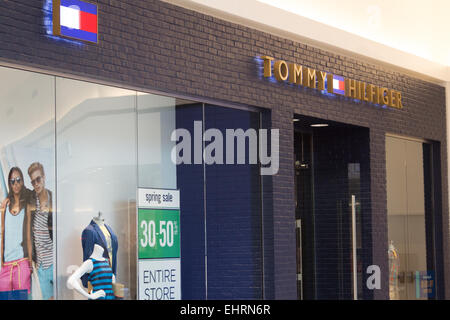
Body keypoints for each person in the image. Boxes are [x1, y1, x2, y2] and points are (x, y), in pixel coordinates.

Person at [0, 167, 32, 295]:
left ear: (23, 181)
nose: (16, 184)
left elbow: (28, 236)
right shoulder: (5, 207)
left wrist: (29, 261)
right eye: (12, 181)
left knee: (21, 298)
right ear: (9, 184)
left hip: (21, 263)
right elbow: (2, 233)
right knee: (4, 297)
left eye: (18, 180)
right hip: (6, 264)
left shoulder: (27, 206)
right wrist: (1, 259)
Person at [27, 162, 54, 300]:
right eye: (33, 182)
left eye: (38, 179)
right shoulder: (32, 200)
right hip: (40, 263)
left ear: (44, 177)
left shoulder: (53, 199)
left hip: (53, 260)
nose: (36, 184)